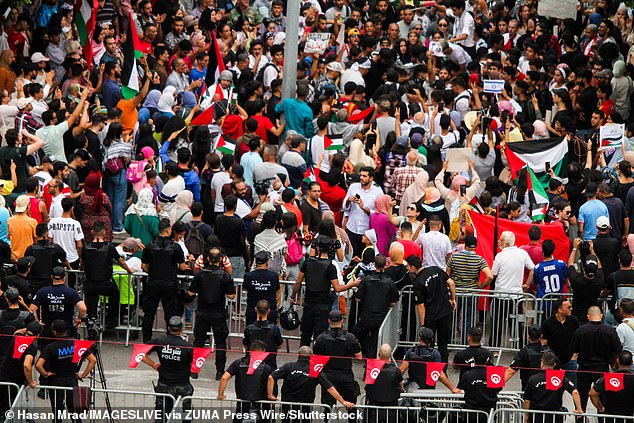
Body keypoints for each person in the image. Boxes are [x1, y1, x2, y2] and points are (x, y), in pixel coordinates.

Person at [291, 236, 360, 346]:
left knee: (305, 334)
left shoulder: (308, 263)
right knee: (320, 336)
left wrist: (292, 296)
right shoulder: (330, 266)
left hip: (309, 303)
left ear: (318, 248)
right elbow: (337, 288)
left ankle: (302, 358)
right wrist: (353, 284)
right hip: (322, 305)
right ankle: (318, 361)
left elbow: (298, 282)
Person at [35, 320, 96, 423]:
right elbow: (93, 360)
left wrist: (45, 374)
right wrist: (83, 375)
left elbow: (38, 365)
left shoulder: (50, 347)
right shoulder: (77, 343)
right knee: (74, 411)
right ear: (66, 330)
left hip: (55, 381)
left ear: (54, 332)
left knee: (57, 411)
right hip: (72, 380)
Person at [270, 345, 355, 417]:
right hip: (305, 407)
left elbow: (271, 377)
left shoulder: (288, 366)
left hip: (288, 406)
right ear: (311, 356)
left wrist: (270, 395)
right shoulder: (315, 370)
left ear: (298, 355)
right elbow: (329, 387)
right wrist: (343, 401)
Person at [141, 218, 188, 343]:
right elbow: (182, 266)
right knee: (170, 313)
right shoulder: (176, 247)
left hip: (153, 283)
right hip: (169, 284)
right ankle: (170, 339)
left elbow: (144, 266)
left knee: (149, 313)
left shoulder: (149, 246)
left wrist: (152, 272)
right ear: (168, 230)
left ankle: (146, 340)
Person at [81, 221, 133, 332]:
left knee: (91, 303)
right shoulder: (109, 247)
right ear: (104, 232)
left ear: (92, 232)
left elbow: (83, 262)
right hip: (105, 283)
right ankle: (111, 319)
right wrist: (129, 270)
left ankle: (92, 322)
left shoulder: (86, 247)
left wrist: (81, 270)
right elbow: (121, 261)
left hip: (90, 283)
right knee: (115, 295)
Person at [570, 306, 622, 412]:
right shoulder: (610, 331)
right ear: (601, 316)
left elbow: (573, 348)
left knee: (582, 398)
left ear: (588, 316)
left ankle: (580, 418)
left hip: (584, 369)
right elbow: (617, 349)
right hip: (602, 369)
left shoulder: (581, 331)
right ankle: (602, 418)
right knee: (602, 398)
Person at [141, 316, 194, 420]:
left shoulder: (159, 341)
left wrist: (153, 365)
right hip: (183, 385)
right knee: (186, 414)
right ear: (182, 329)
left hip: (164, 384)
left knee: (161, 414)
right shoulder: (187, 346)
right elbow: (194, 368)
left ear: (168, 328)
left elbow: (140, 354)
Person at [406, 254, 456, 363]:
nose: (407, 269)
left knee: (429, 345)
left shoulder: (418, 283)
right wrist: (453, 299)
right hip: (445, 313)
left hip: (431, 317)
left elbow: (421, 305)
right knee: (443, 343)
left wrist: (423, 324)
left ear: (413, 267)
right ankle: (443, 369)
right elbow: (451, 283)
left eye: (408, 267)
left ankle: (430, 367)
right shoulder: (435, 269)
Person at [313, 310, 362, 417]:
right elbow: (359, 357)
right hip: (346, 375)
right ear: (342, 321)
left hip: (328, 376)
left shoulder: (321, 338)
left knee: (328, 406)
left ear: (329, 321)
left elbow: (316, 358)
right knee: (351, 405)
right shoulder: (350, 338)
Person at [446, 235, 493, 344]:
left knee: (452, 317)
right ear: (475, 246)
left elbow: (447, 273)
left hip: (455, 292)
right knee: (468, 319)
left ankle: (449, 341)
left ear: (465, 245)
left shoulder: (454, 257)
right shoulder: (479, 260)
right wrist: (481, 285)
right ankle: (465, 342)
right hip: (471, 293)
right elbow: (490, 276)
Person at [352, 254, 400, 358]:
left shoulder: (365, 280)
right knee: (374, 342)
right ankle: (369, 362)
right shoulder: (390, 282)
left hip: (366, 316)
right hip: (380, 318)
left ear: (374, 264)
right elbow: (394, 300)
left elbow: (357, 298)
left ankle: (363, 351)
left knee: (356, 333)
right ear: (385, 265)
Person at [217, 340, 275, 423]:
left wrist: (220, 395)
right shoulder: (266, 368)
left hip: (242, 404)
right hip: (260, 405)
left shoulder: (237, 363)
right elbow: (271, 380)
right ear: (262, 351)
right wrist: (270, 396)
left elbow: (224, 378)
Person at [523, 351, 583, 423]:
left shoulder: (533, 379)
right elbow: (575, 392)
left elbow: (527, 400)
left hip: (537, 416)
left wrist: (527, 415)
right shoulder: (559, 377)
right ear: (554, 364)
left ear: (542, 363)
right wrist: (579, 409)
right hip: (555, 416)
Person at [29, 267, 86, 340]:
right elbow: (83, 308)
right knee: (65, 350)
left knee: (47, 350)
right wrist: (78, 318)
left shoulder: (42, 291)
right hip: (65, 331)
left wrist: (37, 321)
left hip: (48, 330)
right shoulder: (71, 292)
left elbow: (32, 309)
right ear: (64, 277)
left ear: (51, 277)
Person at [400, 327, 461, 392]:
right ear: (432, 340)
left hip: (413, 389)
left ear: (419, 339)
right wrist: (452, 388)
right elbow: (439, 374)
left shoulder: (411, 352)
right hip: (429, 390)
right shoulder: (435, 354)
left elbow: (402, 370)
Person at [342, 167, 384, 257]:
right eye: (361, 175)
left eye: (364, 176)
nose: (361, 178)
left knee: (364, 258)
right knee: (350, 257)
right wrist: (349, 201)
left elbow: (380, 214)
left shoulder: (378, 192)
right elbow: (345, 208)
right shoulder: (353, 187)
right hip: (352, 228)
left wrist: (364, 208)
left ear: (371, 178)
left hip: (366, 233)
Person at [541, 298, 580, 383]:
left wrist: (574, 357)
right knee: (553, 388)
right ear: (560, 309)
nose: (571, 309)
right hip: (554, 361)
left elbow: (578, 340)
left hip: (570, 360)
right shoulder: (548, 323)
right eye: (568, 307)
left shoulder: (574, 321)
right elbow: (544, 343)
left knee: (575, 387)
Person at [458, 349, 502, 423]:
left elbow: (461, 389)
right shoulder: (495, 374)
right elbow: (498, 389)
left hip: (470, 412)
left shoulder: (467, 375)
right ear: (488, 360)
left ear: (474, 360)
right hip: (488, 412)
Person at [47, 198, 84, 283]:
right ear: (72, 208)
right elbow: (79, 245)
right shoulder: (75, 224)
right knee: (72, 286)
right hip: (72, 259)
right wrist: (79, 257)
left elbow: (50, 240)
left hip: (57, 259)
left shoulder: (52, 222)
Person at [24, 223, 66, 295]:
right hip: (49, 283)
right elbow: (64, 260)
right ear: (47, 233)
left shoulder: (30, 249)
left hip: (34, 283)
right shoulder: (55, 248)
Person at [568, 239, 604, 323]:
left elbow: (570, 264)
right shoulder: (599, 282)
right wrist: (592, 250)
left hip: (578, 317)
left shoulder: (576, 280)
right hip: (593, 317)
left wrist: (574, 248)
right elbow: (600, 267)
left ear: (584, 269)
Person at [364, 343, 403, 422]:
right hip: (391, 407)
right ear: (390, 356)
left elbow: (367, 384)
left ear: (378, 354)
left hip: (373, 406)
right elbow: (401, 385)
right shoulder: (396, 371)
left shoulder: (371, 369)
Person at [505, 325, 552, 390]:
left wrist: (495, 386)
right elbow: (558, 370)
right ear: (541, 336)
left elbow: (510, 371)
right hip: (546, 392)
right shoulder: (549, 351)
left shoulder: (524, 352)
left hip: (528, 390)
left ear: (528, 337)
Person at [589, 350, 634, 419]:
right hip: (629, 416)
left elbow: (592, 393)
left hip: (610, 416)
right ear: (632, 362)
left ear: (617, 361)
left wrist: (600, 408)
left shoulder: (609, 378)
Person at [243, 300, 283, 370]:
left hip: (253, 365)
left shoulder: (248, 329)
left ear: (256, 309)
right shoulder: (275, 329)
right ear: (269, 311)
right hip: (270, 365)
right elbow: (280, 345)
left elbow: (245, 345)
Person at [243, 251, 280, 325]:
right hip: (269, 310)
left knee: (251, 333)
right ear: (267, 263)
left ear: (256, 263)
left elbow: (245, 288)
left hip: (253, 309)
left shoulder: (248, 276)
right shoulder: (273, 276)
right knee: (269, 333)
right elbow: (276, 289)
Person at [0, 288, 34, 365]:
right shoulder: (26, 315)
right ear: (18, 298)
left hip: (3, 351)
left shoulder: (0, 314)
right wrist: (24, 305)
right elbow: (34, 321)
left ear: (6, 299)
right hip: (18, 352)